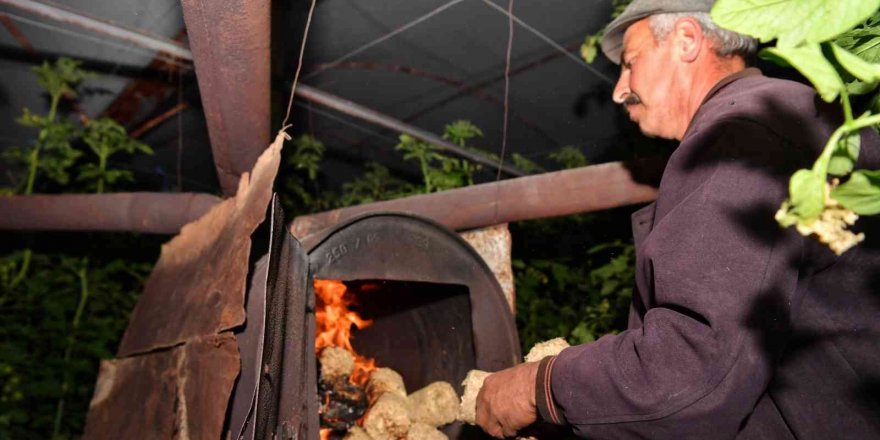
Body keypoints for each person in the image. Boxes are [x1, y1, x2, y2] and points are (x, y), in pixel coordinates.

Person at [475, 0, 880, 438]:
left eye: (630, 63)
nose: (618, 89)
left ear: (687, 40)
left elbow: (691, 372)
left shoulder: (737, 133)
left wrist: (540, 385)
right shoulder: (790, 117)